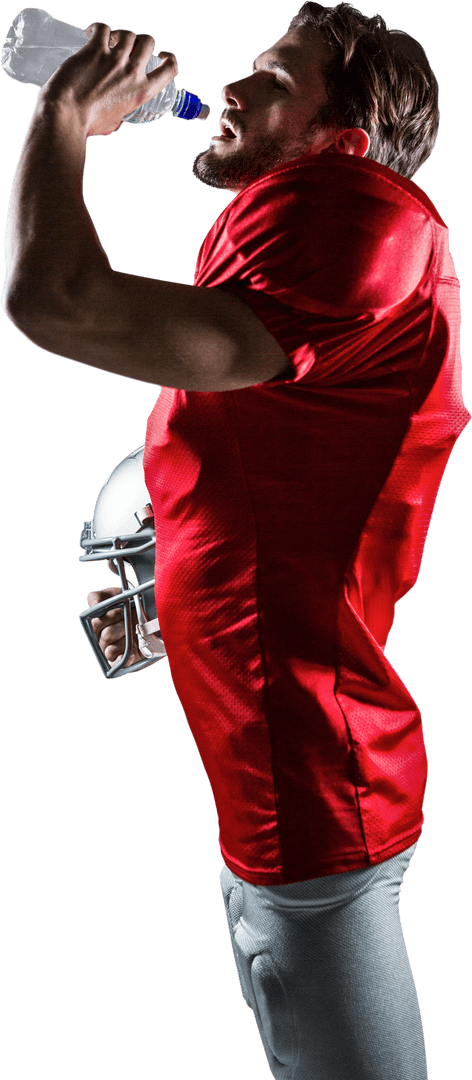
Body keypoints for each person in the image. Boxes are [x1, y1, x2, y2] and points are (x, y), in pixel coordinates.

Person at [2, 3, 469, 1077]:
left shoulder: (366, 219)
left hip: (316, 802)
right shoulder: (304, 249)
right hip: (273, 796)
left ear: (342, 141)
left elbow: (54, 298)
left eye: (276, 79)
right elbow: (261, 469)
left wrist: (65, 113)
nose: (235, 88)